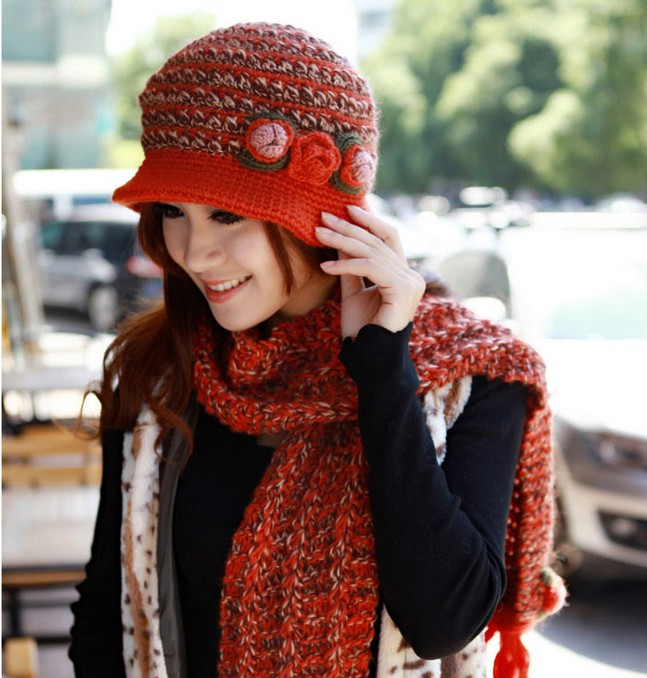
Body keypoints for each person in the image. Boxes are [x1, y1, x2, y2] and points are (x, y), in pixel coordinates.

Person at [69, 22, 565, 678]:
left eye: (225, 214)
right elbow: (104, 617)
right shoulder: (159, 373)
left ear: (319, 217)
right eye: (172, 212)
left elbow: (443, 620)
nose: (193, 252)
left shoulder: (467, 375)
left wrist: (382, 368)